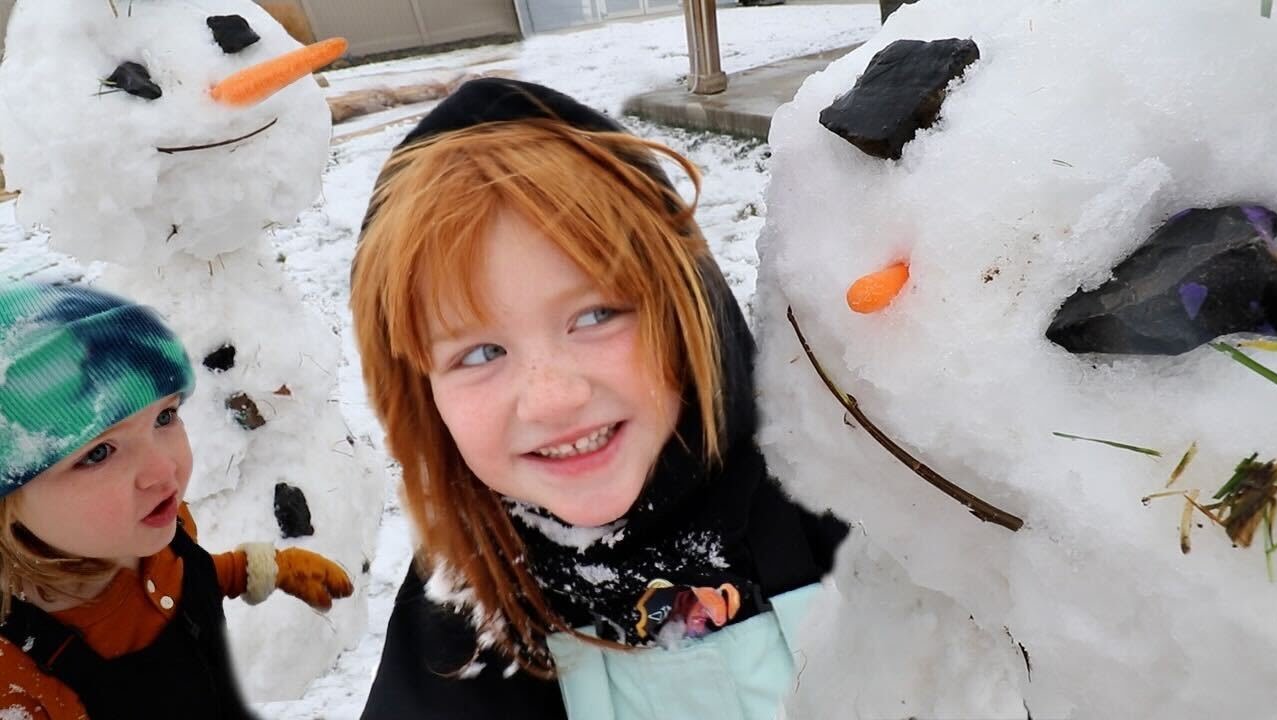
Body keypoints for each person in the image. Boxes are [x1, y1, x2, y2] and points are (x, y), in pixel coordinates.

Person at [352, 78, 848, 720]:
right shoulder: (461, 614)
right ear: (423, 396)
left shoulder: (839, 503)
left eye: (595, 316)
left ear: (686, 309)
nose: (553, 399)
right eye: (479, 354)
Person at [0, 282, 355, 720]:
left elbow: (187, 579)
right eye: (97, 452)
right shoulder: (15, 675)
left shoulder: (161, 523)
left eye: (165, 417)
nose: (163, 471)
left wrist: (257, 570)